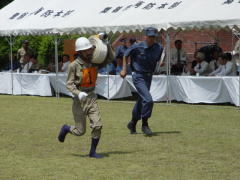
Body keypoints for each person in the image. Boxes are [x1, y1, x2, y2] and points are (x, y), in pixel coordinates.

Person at [58, 36, 114, 158]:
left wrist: (107, 45)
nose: (90, 51)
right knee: (80, 131)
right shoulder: (73, 66)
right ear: (80, 52)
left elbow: (110, 58)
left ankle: (92, 152)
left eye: (90, 49)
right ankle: (66, 128)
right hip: (79, 100)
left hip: (92, 97)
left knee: (98, 125)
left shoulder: (95, 61)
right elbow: (69, 84)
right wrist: (78, 93)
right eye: (87, 50)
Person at [120, 27, 163, 136]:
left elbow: (158, 60)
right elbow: (125, 55)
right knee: (148, 100)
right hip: (138, 75)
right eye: (150, 36)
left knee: (142, 100)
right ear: (145, 36)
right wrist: (124, 69)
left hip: (149, 76)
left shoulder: (159, 47)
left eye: (153, 37)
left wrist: (159, 66)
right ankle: (145, 124)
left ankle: (132, 123)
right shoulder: (137, 46)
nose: (151, 39)